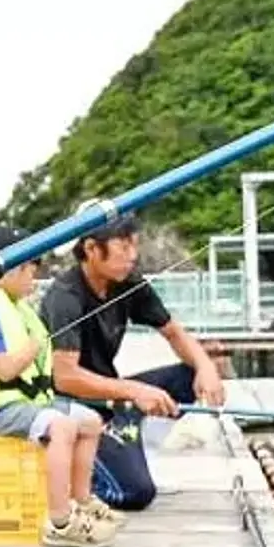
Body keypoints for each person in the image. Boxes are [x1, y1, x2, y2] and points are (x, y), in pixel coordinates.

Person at [38, 212, 225, 512]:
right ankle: (80, 473)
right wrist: (135, 392)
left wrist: (206, 368)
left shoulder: (127, 283)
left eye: (134, 246)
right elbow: (65, 378)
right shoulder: (65, 297)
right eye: (123, 247)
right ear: (91, 249)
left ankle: (124, 430)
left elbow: (174, 332)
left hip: (114, 400)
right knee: (136, 493)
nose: (132, 256)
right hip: (73, 408)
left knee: (190, 374)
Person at [0, 224, 117, 547]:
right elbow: (6, 369)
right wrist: (35, 346)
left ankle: (81, 501)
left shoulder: (16, 308)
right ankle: (60, 522)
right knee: (63, 426)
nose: (34, 276)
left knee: (91, 421)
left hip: (25, 405)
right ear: (9, 269)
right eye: (29, 267)